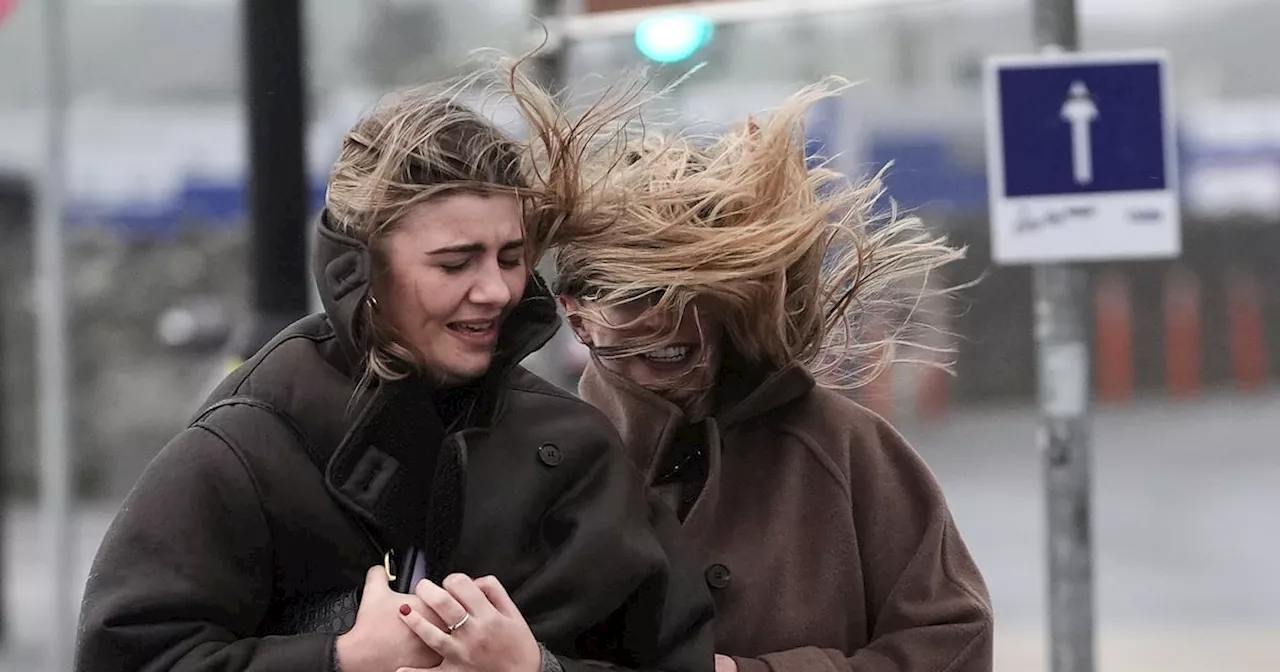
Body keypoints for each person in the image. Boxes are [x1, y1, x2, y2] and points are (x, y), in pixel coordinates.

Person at [74, 66, 716, 672]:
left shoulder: (576, 448)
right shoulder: (255, 442)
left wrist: (531, 666)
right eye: (455, 262)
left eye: (511, 257)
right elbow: (131, 655)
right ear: (362, 270)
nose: (494, 290)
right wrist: (342, 658)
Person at [551, 79, 995, 672]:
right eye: (638, 293)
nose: (667, 316)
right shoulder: (543, 460)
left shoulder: (844, 448)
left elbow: (954, 640)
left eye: (697, 289)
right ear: (575, 312)